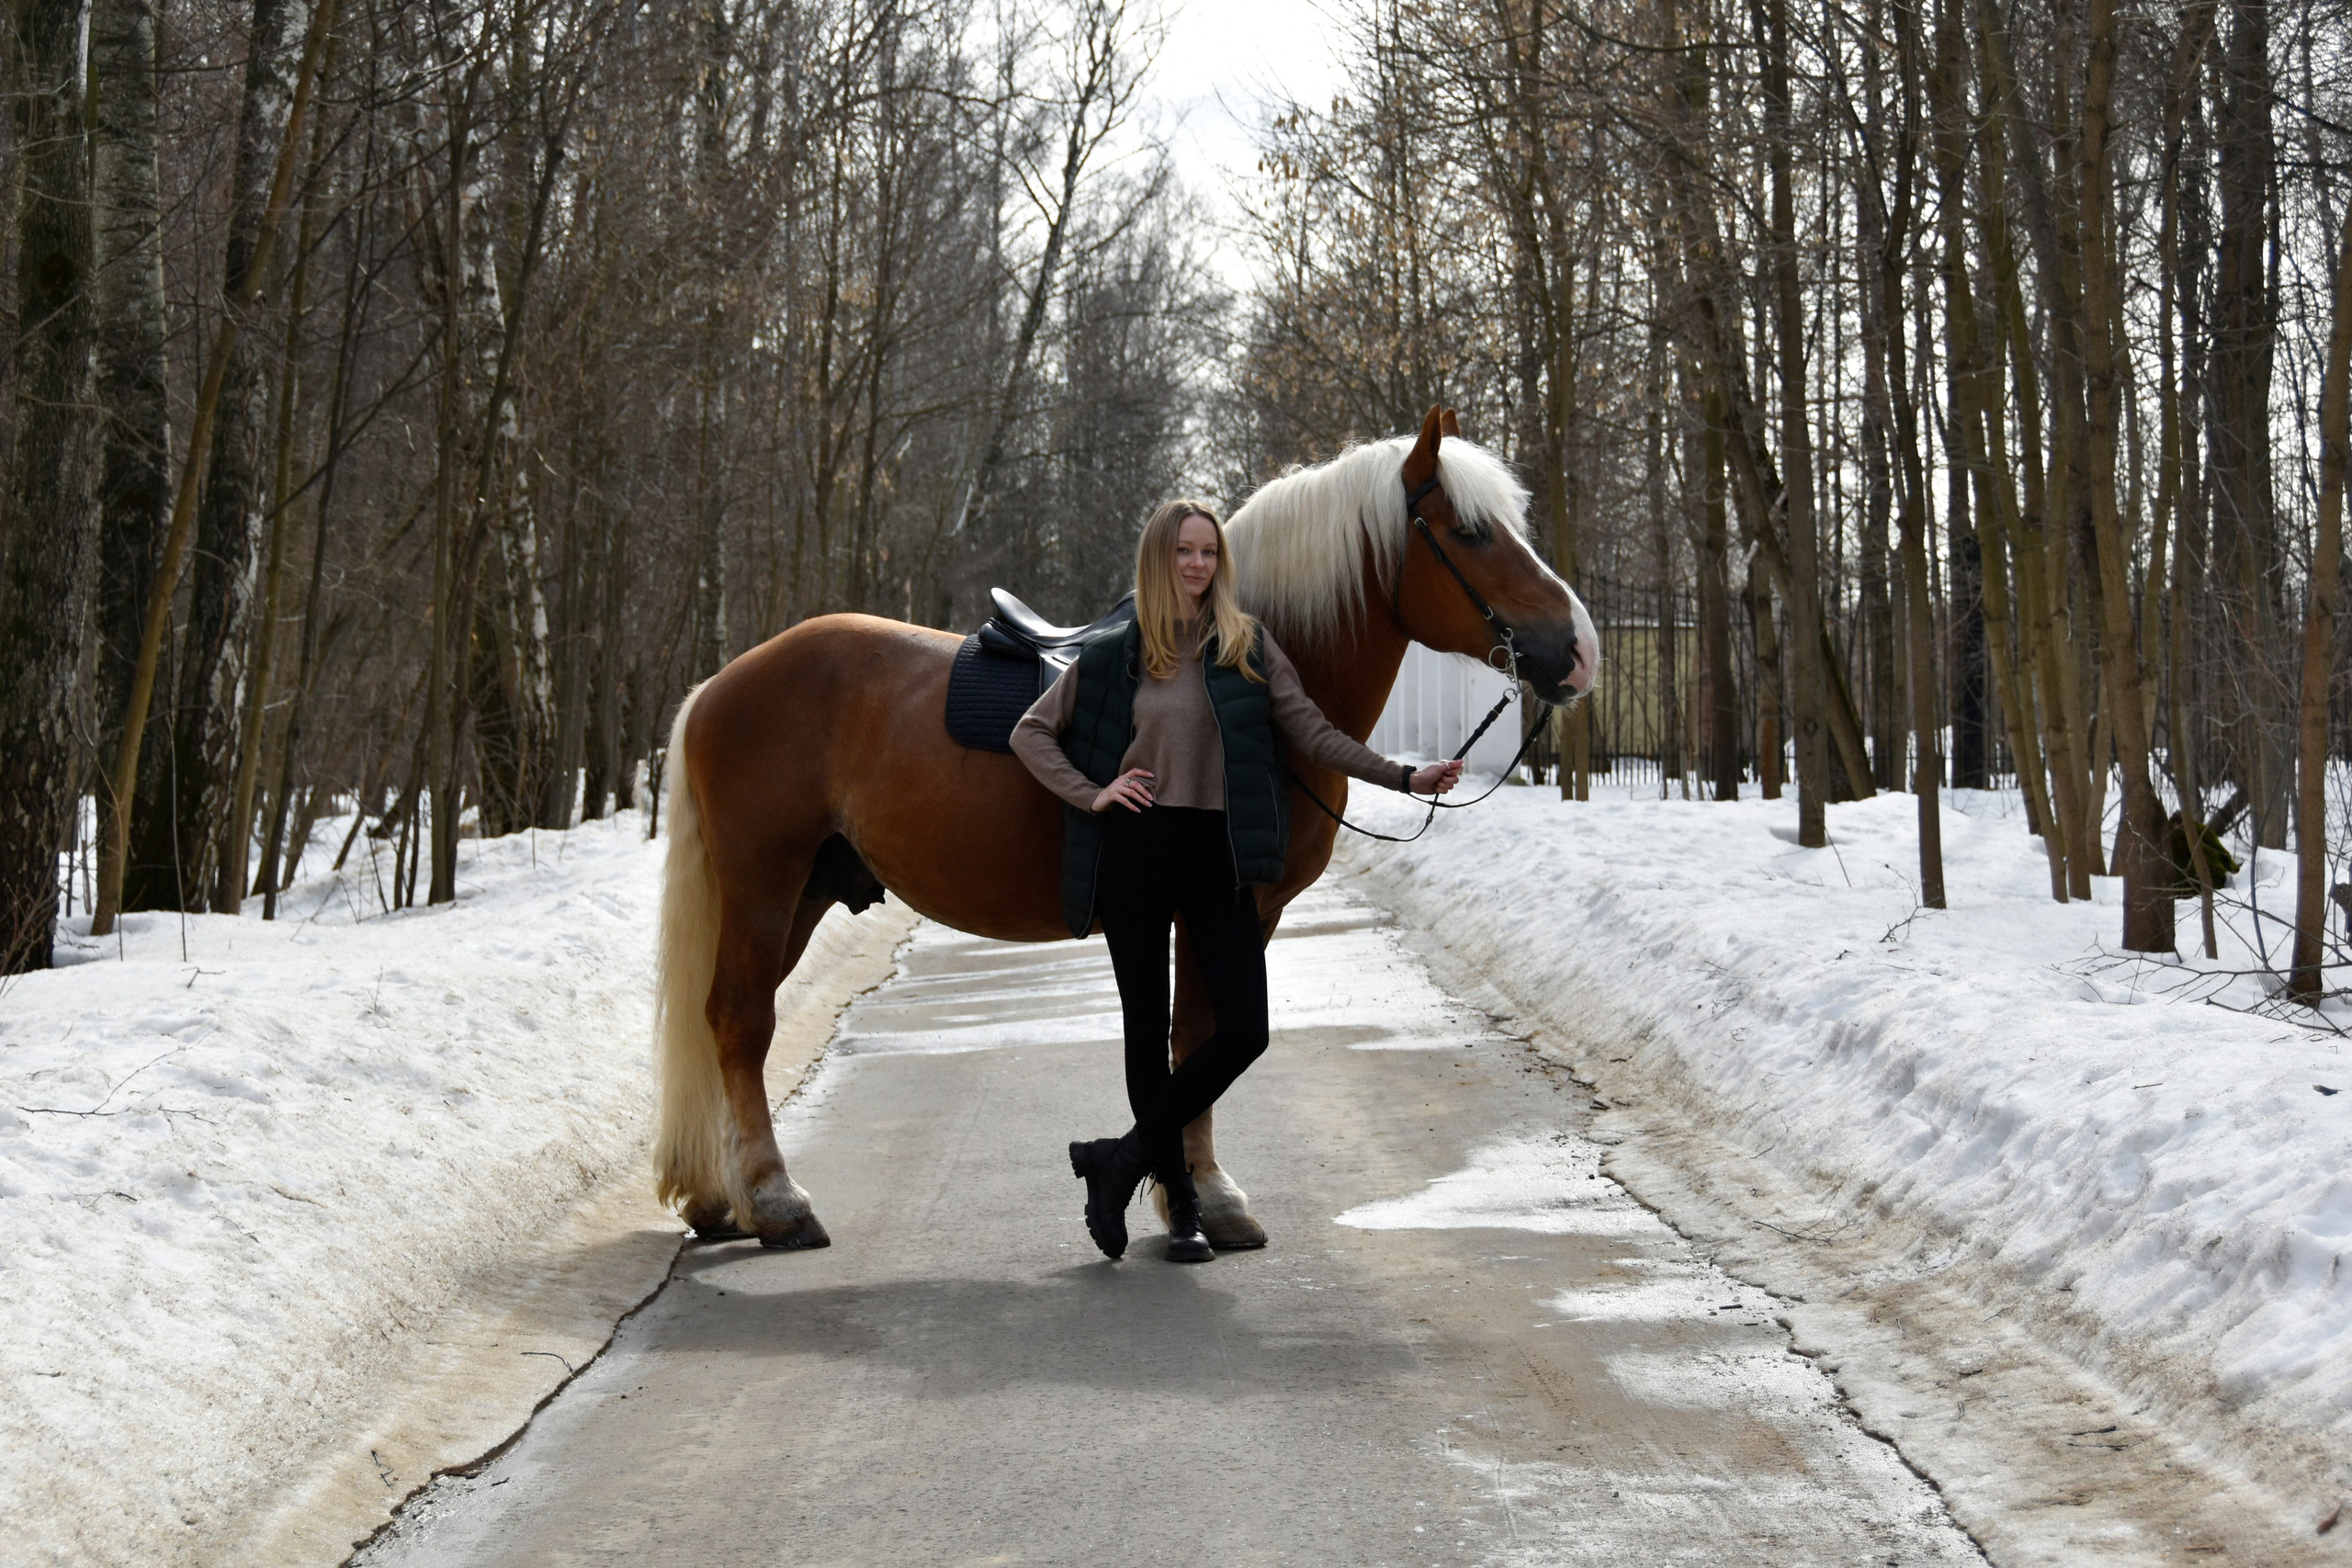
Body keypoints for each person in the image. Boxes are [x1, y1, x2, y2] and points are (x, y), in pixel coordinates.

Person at [1012, 498, 1464, 1263]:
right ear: (1160, 560)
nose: (1197, 565)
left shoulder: (1246, 646)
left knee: (1243, 1028)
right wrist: (1094, 793)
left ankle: (1118, 1161)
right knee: (1147, 1032)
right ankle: (1179, 1196)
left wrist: (1404, 775)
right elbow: (1031, 731)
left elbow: (1314, 730)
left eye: (1209, 553)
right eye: (1184, 552)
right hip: (1140, 850)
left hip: (1215, 853)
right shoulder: (1120, 650)